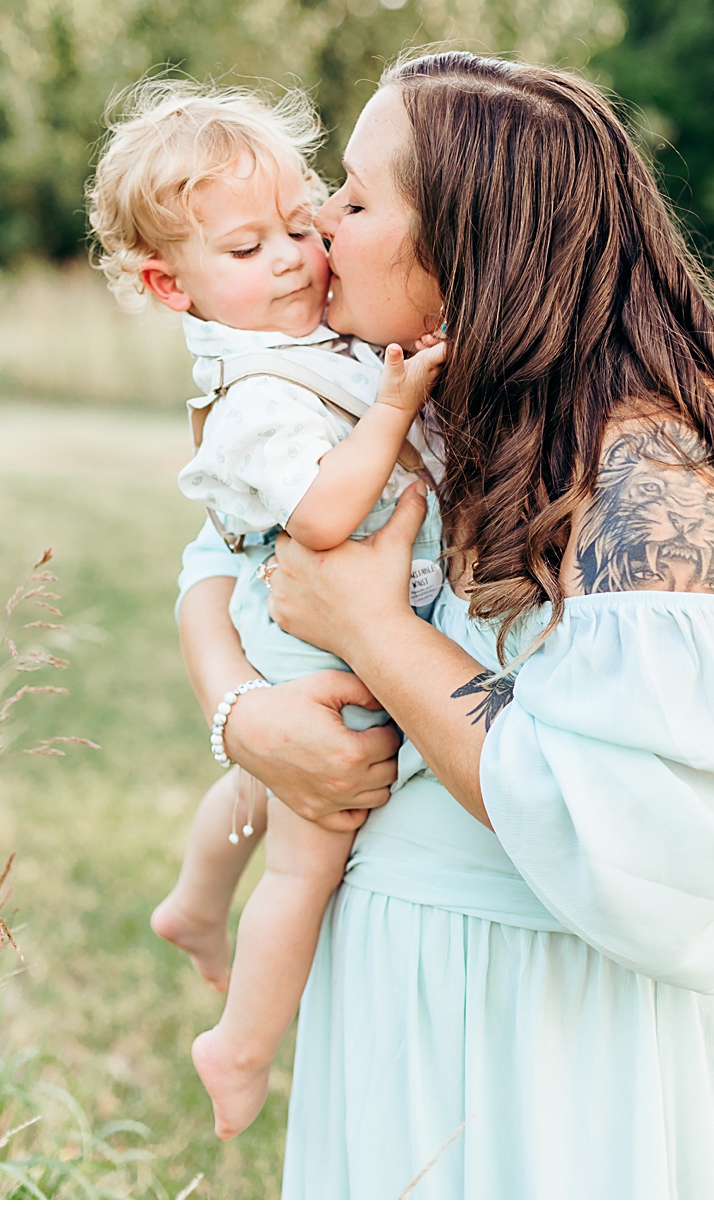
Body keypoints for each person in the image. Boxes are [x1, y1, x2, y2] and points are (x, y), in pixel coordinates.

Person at [178, 51, 714, 1196]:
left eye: (354, 197)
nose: (316, 217)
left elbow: (663, 855)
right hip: (424, 1007)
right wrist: (237, 711)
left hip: (577, 1051)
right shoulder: (409, 403)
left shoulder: (648, 488)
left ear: (468, 239)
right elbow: (215, 551)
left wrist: (369, 626)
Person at [84, 79, 449, 1140]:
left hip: (314, 619)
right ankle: (237, 1043)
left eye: (299, 225)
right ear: (168, 282)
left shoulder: (296, 345)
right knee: (309, 844)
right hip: (309, 632)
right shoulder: (250, 399)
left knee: (257, 778)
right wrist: (392, 405)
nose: (291, 257)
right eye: (246, 250)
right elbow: (328, 511)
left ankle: (193, 901)